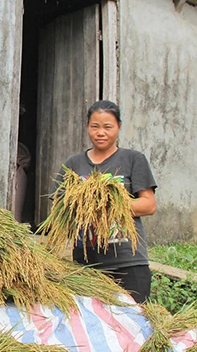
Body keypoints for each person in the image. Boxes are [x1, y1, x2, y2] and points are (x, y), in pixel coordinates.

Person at [53, 100, 157, 303]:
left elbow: (148, 204)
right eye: (95, 126)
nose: (101, 132)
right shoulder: (74, 164)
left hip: (128, 261)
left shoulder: (133, 159)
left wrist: (105, 206)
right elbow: (59, 206)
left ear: (118, 127)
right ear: (87, 127)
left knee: (134, 323)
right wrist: (79, 206)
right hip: (87, 264)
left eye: (108, 127)